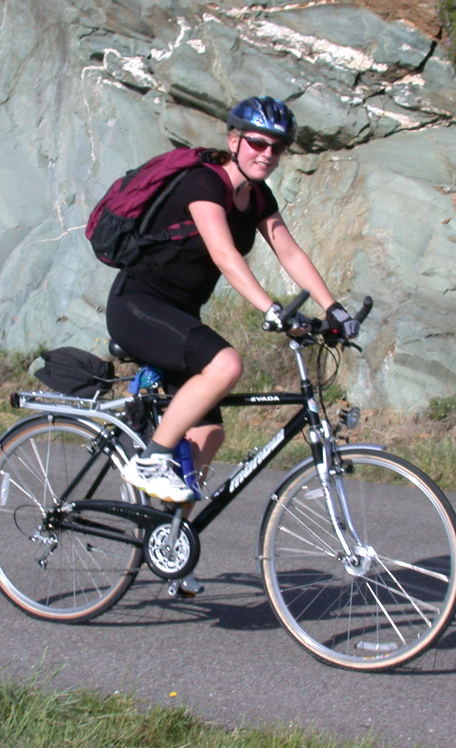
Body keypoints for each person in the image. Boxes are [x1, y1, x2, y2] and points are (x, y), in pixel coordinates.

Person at [106, 96, 360, 516]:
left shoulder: (258, 197)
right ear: (234, 140)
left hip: (181, 316)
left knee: (208, 434)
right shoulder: (203, 184)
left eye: (277, 147)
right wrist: (270, 308)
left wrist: (333, 308)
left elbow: (288, 251)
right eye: (258, 143)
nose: (267, 154)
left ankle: (168, 536)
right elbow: (225, 255)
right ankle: (150, 461)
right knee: (226, 364)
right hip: (138, 306)